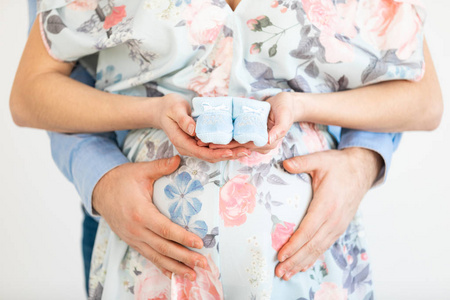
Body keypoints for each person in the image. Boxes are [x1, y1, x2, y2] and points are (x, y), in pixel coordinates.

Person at [10, 0, 442, 299]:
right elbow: (38, 88)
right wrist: (99, 176)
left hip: (312, 268)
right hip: (142, 254)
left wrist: (362, 159)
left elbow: (417, 92)